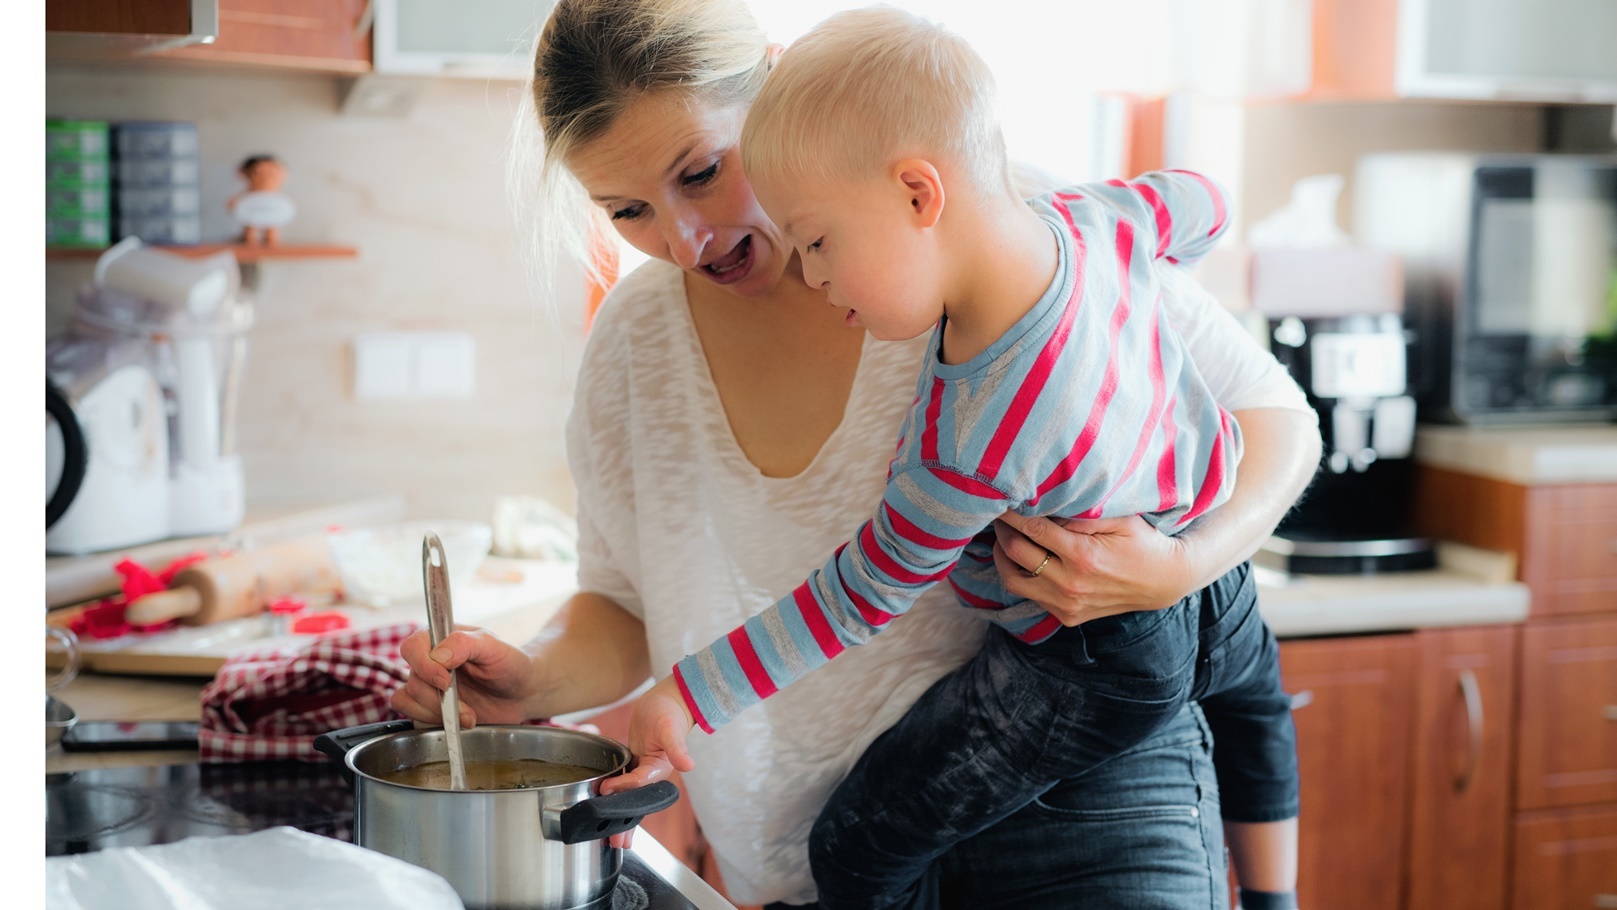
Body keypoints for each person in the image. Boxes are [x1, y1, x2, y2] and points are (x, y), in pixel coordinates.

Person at [390, 0, 1321, 906]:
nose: (681, 240)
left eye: (703, 170)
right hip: (810, 859)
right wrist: (536, 675)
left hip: (1074, 808)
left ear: (775, 83)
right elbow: (626, 603)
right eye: (627, 209)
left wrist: (1179, 565)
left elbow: (1276, 421)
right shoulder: (633, 343)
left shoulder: (1006, 237)